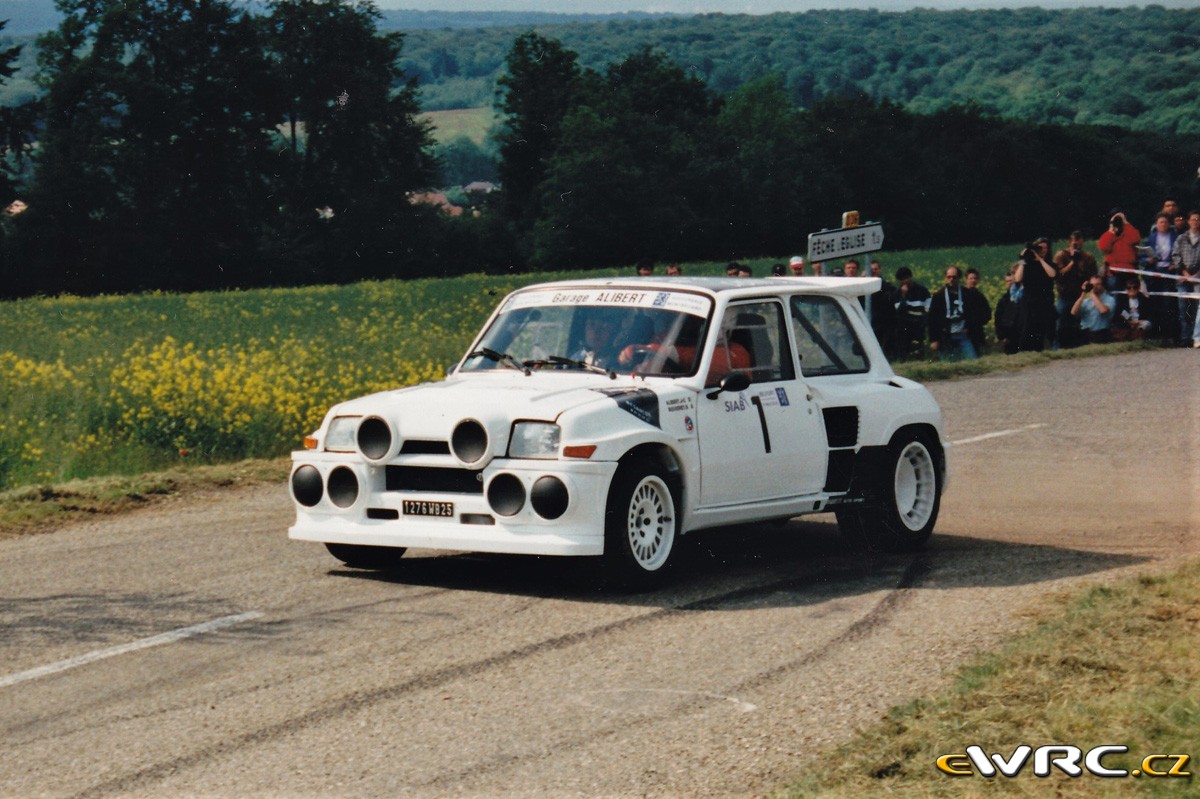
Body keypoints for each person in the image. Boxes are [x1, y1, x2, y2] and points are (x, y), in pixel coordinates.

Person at [928, 265, 989, 360]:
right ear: (945, 278)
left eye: (954, 277)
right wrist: (934, 340)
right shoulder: (938, 296)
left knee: (972, 361)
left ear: (959, 278)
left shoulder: (968, 294)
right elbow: (932, 319)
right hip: (946, 337)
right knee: (949, 365)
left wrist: (970, 326)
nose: (951, 279)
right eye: (949, 277)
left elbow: (977, 314)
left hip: (964, 337)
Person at [1052, 231, 1099, 349]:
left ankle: (1075, 348)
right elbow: (1056, 275)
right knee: (1060, 324)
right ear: (1069, 242)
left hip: (1079, 296)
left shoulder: (1088, 257)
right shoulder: (1061, 255)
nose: (1076, 245)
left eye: (1078, 242)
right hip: (1064, 295)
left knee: (1077, 325)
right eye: (1073, 243)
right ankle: (1056, 349)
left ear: (1083, 242)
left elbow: (1093, 275)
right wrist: (1072, 263)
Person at [1013, 238, 1057, 352]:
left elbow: (1052, 274)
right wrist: (1023, 259)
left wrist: (1040, 259)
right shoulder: (1028, 264)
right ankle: (1023, 352)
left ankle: (1039, 351)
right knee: (1026, 327)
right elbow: (1017, 278)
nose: (1043, 250)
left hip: (1044, 299)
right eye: (1040, 248)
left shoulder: (1050, 263)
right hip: (1029, 300)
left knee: (1041, 328)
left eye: (1046, 248)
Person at [1142, 213, 1179, 339]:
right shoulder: (1150, 238)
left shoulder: (1175, 237)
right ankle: (1158, 334)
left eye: (1165, 222)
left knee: (1169, 303)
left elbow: (1179, 254)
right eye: (1160, 222)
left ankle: (1171, 334)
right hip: (1154, 272)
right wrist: (1148, 261)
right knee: (1155, 303)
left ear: (1169, 224)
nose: (1163, 224)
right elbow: (1142, 257)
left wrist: (1175, 264)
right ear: (1156, 225)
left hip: (1169, 272)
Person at [1170, 210, 1200, 347]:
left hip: (1198, 277)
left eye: (1198, 220)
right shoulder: (1181, 238)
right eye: (1193, 219)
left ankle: (1196, 337)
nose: (1195, 222)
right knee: (1183, 308)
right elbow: (1175, 255)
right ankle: (1185, 336)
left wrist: (1196, 275)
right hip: (1183, 276)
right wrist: (1184, 272)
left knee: (1197, 309)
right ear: (1188, 221)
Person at [1097, 210, 1141, 292]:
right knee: (1115, 296)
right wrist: (1111, 230)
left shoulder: (1129, 232)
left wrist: (1125, 222)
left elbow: (1136, 239)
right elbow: (1103, 247)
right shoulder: (1109, 234)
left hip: (1130, 272)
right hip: (1113, 272)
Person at [892, 266, 930, 359]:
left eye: (905, 278)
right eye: (901, 280)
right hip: (905, 327)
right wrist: (903, 296)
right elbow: (898, 311)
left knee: (920, 351)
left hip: (919, 325)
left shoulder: (923, 291)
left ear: (910, 277)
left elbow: (928, 309)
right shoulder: (897, 293)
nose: (904, 281)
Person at [1071, 276, 1115, 344]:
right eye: (1092, 285)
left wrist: (1091, 293)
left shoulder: (1110, 299)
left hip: (1101, 333)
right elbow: (1073, 312)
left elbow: (1103, 310)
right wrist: (1083, 293)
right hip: (1085, 333)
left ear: (1103, 285)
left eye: (1098, 284)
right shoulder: (1086, 301)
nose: (1095, 287)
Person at [994, 266, 1022, 355]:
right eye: (1007, 281)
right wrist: (1002, 336)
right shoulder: (1003, 300)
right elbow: (998, 319)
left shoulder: (1023, 296)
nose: (1009, 283)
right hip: (1010, 338)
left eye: (1011, 281)